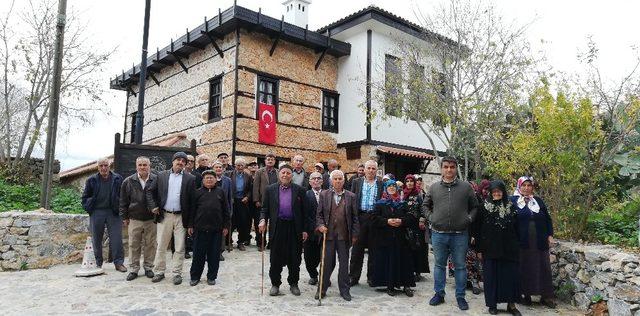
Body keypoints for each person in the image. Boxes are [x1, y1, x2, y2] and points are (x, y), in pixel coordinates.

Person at [423, 156, 478, 310]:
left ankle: (460, 297)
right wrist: (431, 217)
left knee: (460, 266)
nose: (449, 170)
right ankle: (439, 294)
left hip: (460, 234)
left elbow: (475, 207)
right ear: (441, 168)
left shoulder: (466, 187)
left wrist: (468, 219)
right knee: (439, 265)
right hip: (439, 234)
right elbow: (425, 205)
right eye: (445, 167)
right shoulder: (433, 187)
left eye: (452, 167)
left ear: (456, 168)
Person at [258, 164, 308, 296]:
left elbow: (305, 213)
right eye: (283, 173)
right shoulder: (270, 189)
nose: (285, 175)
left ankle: (293, 283)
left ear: (292, 175)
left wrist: (304, 230)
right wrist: (263, 220)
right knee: (275, 258)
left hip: (294, 227)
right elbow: (264, 209)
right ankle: (275, 284)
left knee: (295, 258)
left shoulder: (300, 190)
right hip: (277, 227)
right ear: (279, 174)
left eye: (288, 173)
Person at [147, 151, 196, 285]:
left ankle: (177, 273)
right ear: (173, 161)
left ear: (185, 164)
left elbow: (193, 202)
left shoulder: (190, 178)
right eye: (178, 160)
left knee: (180, 247)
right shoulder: (161, 175)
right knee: (161, 245)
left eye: (183, 161)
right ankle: (159, 272)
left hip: (181, 217)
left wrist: (191, 223)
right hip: (165, 215)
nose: (180, 162)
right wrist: (154, 206)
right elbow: (150, 192)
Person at [473, 180, 522, 316]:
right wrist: (479, 249)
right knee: (491, 277)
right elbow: (477, 230)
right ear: (490, 192)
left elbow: (517, 227)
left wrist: (518, 245)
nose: (496, 193)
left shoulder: (511, 207)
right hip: (489, 249)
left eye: (499, 191)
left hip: (509, 248)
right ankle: (492, 304)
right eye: (494, 191)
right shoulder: (483, 207)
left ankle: (511, 305)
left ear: (503, 192)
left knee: (510, 277)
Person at [512, 176, 556, 308]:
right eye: (524, 185)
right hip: (522, 241)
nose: (526, 188)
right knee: (525, 267)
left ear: (532, 187)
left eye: (529, 185)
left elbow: (547, 219)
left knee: (543, 267)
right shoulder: (513, 201)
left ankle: (546, 296)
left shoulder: (538, 201)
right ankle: (526, 295)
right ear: (519, 186)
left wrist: (550, 235)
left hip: (539, 240)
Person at [316, 170, 360, 301]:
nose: (338, 181)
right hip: (328, 235)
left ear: (344, 180)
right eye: (335, 179)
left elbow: (355, 217)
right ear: (331, 181)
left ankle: (345, 290)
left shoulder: (351, 196)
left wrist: (355, 234)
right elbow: (319, 215)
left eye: (340, 178)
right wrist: (320, 225)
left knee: (344, 264)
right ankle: (321, 289)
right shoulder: (324, 195)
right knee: (326, 263)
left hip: (344, 236)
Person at [370, 180, 416, 297]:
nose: (391, 188)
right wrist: (387, 221)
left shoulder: (402, 203)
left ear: (397, 188)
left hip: (401, 238)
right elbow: (374, 219)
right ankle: (390, 286)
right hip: (385, 238)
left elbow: (410, 218)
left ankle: (406, 285)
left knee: (404, 261)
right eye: (389, 186)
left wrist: (401, 221)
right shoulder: (380, 203)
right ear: (385, 188)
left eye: (393, 186)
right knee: (389, 261)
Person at [81, 158, 126, 272]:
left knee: (116, 239)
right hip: (97, 212)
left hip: (113, 212)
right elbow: (85, 197)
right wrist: (89, 208)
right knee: (96, 239)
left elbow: (123, 196)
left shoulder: (117, 178)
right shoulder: (91, 180)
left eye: (105, 165)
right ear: (98, 167)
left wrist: (122, 210)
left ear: (110, 166)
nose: (103, 168)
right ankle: (98, 263)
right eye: (101, 166)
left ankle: (119, 263)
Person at [188, 170, 230, 286]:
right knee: (198, 255)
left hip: (216, 229)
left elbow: (226, 211)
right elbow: (192, 210)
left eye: (211, 177)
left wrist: (226, 226)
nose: (209, 179)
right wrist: (190, 225)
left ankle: (211, 276)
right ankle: (195, 276)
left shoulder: (221, 192)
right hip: (199, 229)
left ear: (215, 179)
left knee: (214, 255)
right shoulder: (197, 193)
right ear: (203, 180)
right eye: (207, 178)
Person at [119, 156, 157, 281]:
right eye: (140, 165)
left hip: (151, 219)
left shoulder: (155, 179)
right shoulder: (128, 181)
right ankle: (134, 269)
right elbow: (123, 201)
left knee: (150, 244)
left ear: (149, 166)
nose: (142, 167)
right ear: (136, 166)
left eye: (144, 165)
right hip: (134, 218)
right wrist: (124, 217)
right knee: (133, 244)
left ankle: (148, 267)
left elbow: (160, 197)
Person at [349, 160, 384, 287]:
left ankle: (372, 277)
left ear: (376, 170)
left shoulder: (381, 184)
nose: (370, 170)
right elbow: (352, 201)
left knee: (374, 250)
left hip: (375, 218)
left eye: (373, 168)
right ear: (364, 169)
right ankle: (353, 277)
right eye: (368, 168)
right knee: (357, 250)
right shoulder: (356, 182)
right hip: (360, 217)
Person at [403, 174, 429, 282]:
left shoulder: (418, 194)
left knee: (417, 248)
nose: (409, 183)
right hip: (405, 225)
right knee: (407, 248)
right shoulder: (401, 194)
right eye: (407, 181)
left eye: (411, 181)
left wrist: (422, 220)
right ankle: (408, 270)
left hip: (416, 226)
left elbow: (423, 209)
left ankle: (417, 271)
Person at [253, 153, 279, 250]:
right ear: (265, 161)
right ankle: (261, 243)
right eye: (268, 159)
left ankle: (271, 243)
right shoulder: (259, 172)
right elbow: (255, 187)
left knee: (274, 223)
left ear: (275, 161)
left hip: (275, 202)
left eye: (272, 159)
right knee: (260, 222)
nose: (270, 161)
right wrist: (256, 200)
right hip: (262, 201)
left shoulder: (278, 172)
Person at [303, 171, 324, 285]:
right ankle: (313, 275)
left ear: (322, 181)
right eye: (313, 179)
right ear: (310, 182)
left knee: (325, 257)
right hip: (310, 231)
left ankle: (324, 277)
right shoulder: (306, 195)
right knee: (309, 257)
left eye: (318, 178)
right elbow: (304, 214)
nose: (316, 180)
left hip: (325, 231)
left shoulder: (327, 194)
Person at [229, 158, 252, 251]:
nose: (240, 167)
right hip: (232, 201)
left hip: (243, 201)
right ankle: (228, 242)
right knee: (231, 222)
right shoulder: (229, 174)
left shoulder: (248, 176)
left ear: (244, 166)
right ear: (235, 166)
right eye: (238, 165)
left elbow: (250, 189)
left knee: (242, 222)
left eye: (242, 165)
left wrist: (247, 197)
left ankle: (240, 242)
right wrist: (230, 198)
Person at [212, 160, 233, 257]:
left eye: (220, 167)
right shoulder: (209, 179)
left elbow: (230, 197)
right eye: (216, 167)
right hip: (211, 209)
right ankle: (210, 251)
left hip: (223, 209)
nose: (218, 169)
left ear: (223, 169)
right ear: (213, 169)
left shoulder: (227, 180)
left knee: (222, 231)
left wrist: (230, 210)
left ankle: (220, 251)